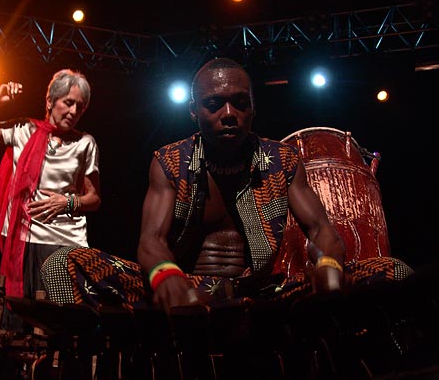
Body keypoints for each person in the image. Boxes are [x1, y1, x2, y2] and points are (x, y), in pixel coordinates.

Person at [39, 57, 413, 311]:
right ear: (193, 111)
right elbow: (151, 240)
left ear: (253, 107)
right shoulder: (170, 162)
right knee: (60, 266)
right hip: (185, 289)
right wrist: (166, 276)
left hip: (263, 293)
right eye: (214, 104)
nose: (229, 115)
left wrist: (329, 263)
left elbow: (321, 229)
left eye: (239, 103)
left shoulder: (282, 160)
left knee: (395, 273)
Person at [0, 69, 116, 380]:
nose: (74, 111)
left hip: (68, 244)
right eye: (67, 102)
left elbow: (94, 198)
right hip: (28, 241)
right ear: (50, 102)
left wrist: (67, 200)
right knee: (27, 335)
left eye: (81, 105)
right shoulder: (23, 131)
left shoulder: (85, 142)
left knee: (69, 331)